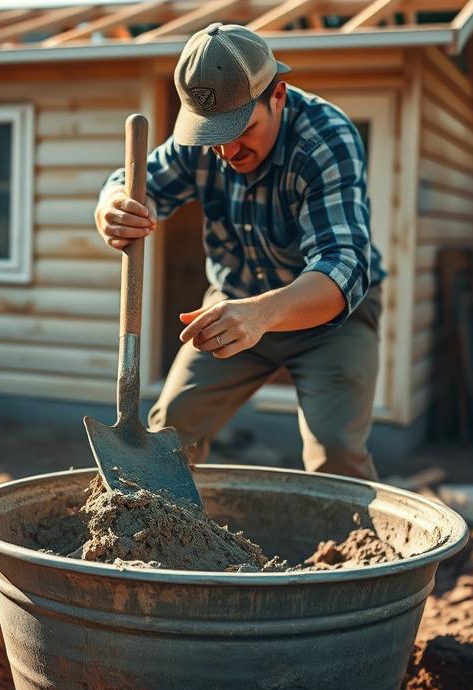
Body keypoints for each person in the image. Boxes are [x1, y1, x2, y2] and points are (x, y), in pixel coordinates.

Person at [94, 22, 387, 481]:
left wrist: (260, 315)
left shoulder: (325, 139)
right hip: (233, 301)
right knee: (169, 432)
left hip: (328, 315)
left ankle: (353, 549)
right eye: (214, 133)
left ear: (278, 96)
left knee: (336, 454)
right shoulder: (205, 141)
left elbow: (344, 266)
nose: (228, 149)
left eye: (243, 129)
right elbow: (129, 185)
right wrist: (113, 208)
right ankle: (152, 544)